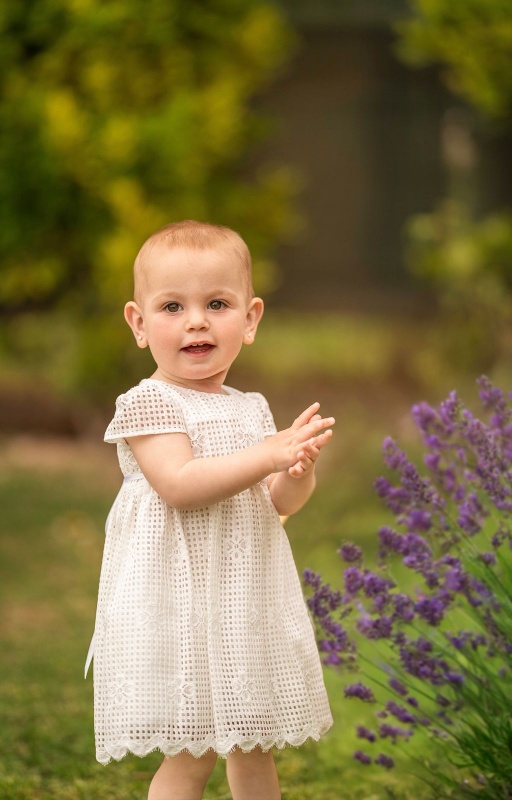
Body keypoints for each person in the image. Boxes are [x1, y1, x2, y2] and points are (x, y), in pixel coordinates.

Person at [88, 220, 334, 800]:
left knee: (254, 745)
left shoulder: (250, 408)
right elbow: (180, 484)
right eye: (172, 306)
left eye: (217, 304)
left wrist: (296, 472)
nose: (196, 321)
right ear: (139, 324)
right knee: (191, 752)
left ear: (249, 319)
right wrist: (268, 453)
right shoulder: (148, 402)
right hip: (178, 604)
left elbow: (274, 504)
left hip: (241, 602)